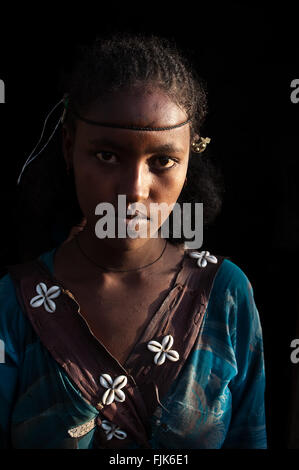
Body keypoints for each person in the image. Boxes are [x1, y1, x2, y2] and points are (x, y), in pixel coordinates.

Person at [0, 32, 267, 449]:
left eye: (162, 160)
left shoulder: (224, 294)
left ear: (188, 160)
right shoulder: (15, 302)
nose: (135, 189)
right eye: (107, 155)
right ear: (70, 148)